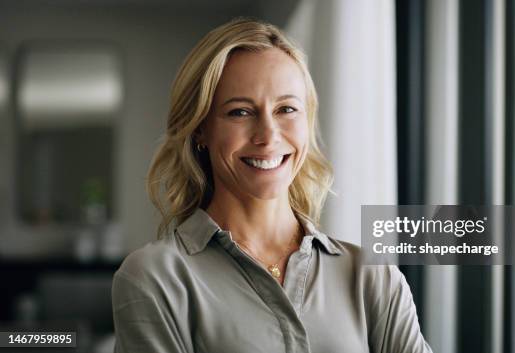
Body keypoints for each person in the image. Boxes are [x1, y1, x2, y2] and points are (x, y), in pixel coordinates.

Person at [111, 17, 433, 353]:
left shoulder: (371, 276)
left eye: (286, 109)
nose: (268, 136)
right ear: (200, 130)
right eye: (240, 112)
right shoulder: (155, 278)